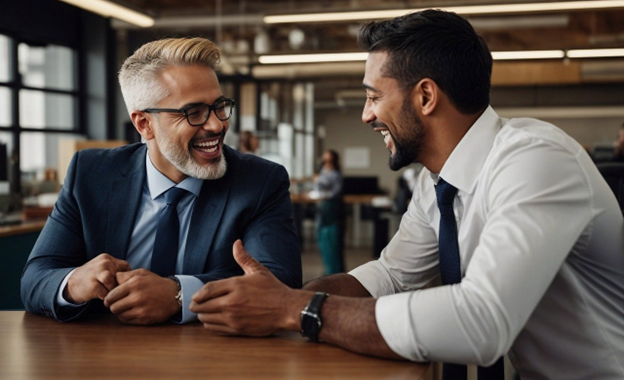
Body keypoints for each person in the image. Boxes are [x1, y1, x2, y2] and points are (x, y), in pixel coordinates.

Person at [189, 10, 624, 380]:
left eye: (374, 96)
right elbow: (392, 276)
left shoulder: (536, 160)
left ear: (426, 97)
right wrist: (282, 302)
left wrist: (299, 309)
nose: (366, 115)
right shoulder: (436, 182)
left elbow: (481, 322)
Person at [20, 37, 301, 325]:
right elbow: (35, 277)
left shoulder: (260, 181)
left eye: (219, 106)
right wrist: (73, 283)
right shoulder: (90, 173)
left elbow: (281, 284)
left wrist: (179, 294)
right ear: (144, 124)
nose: (217, 124)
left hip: (214, 359)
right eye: (194, 112)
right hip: (102, 357)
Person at [313, 150, 344, 275]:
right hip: (322, 208)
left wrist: (319, 182)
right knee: (322, 238)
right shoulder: (323, 171)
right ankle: (329, 268)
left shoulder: (335, 174)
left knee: (332, 240)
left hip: (331, 208)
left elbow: (335, 191)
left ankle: (334, 270)